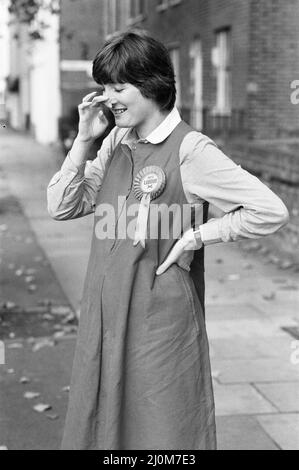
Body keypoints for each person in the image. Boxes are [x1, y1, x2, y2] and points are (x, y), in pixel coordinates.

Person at [47, 30, 289, 450]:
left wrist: (195, 236)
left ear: (152, 85)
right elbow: (63, 205)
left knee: (162, 428)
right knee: (105, 424)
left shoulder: (191, 150)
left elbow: (269, 210)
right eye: (104, 87)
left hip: (159, 320)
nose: (108, 97)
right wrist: (84, 140)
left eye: (118, 87)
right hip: (107, 311)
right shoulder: (117, 141)